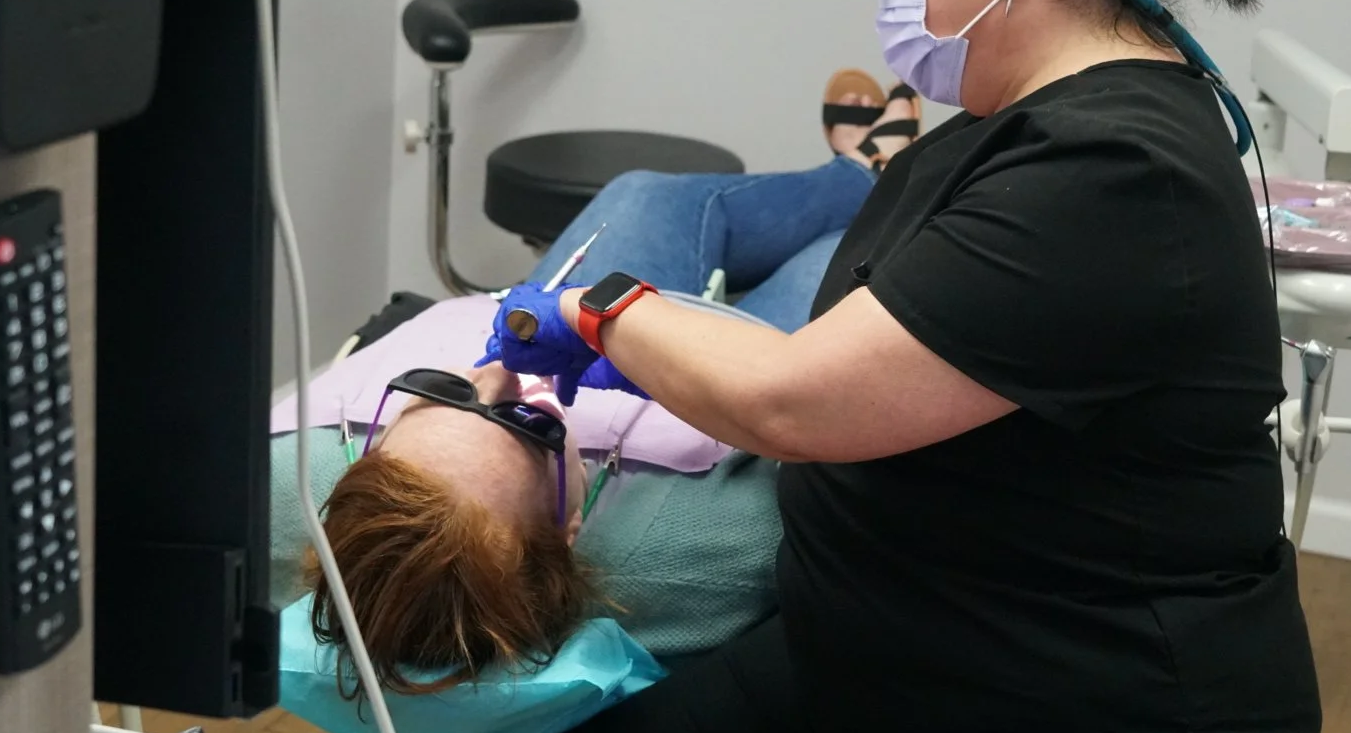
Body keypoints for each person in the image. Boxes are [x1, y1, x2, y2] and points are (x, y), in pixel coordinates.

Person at [485, 0, 1323, 733]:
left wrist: (594, 310)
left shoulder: (1114, 175)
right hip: (886, 644)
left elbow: (791, 403)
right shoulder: (1010, 122)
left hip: (1064, 701)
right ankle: (851, 164)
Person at [277, 79, 921, 695]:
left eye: (441, 390)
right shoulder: (710, 546)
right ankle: (884, 171)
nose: (499, 373)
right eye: (530, 425)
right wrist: (625, 330)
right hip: (750, 341)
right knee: (852, 246)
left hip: (560, 312)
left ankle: (862, 168)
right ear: (569, 530)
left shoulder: (282, 490)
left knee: (642, 193)